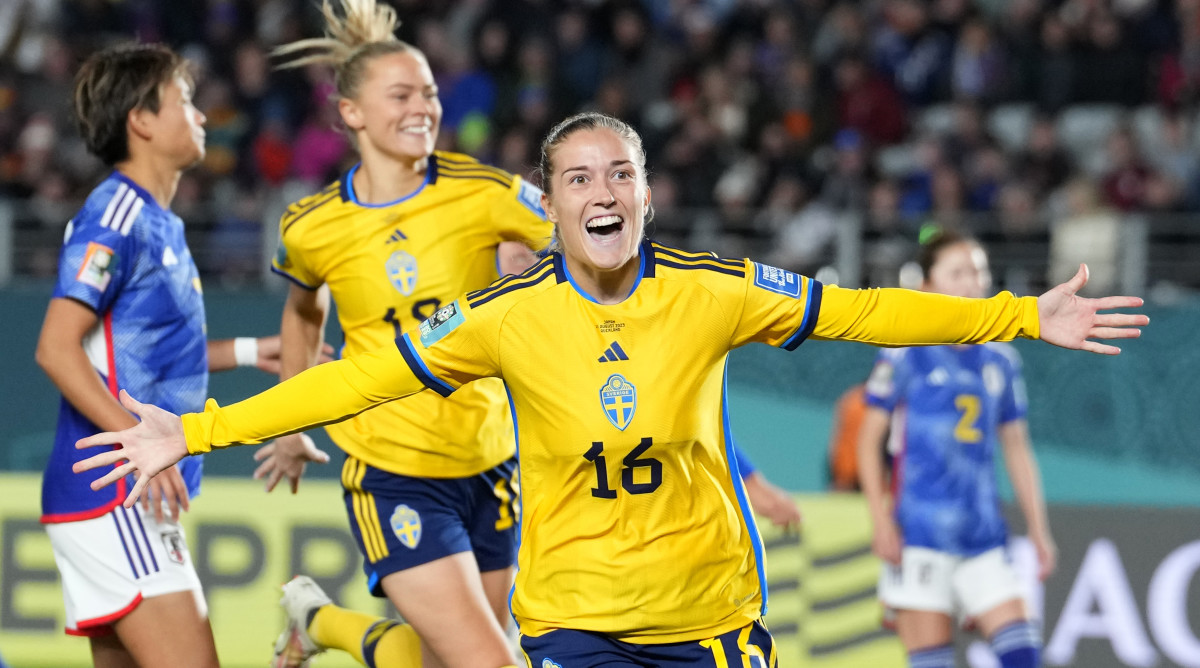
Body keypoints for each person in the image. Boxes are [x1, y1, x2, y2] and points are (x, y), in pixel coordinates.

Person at [74, 112, 1146, 668]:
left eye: (619, 174)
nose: (601, 191)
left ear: (645, 191)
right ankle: (340, 628)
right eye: (578, 177)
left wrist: (1018, 313)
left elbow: (862, 309)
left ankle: (335, 628)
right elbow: (349, 376)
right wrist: (200, 426)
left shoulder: (713, 290)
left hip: (713, 613)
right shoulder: (504, 318)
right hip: (578, 620)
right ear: (552, 203)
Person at [249, 1, 552, 666]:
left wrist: (543, 270)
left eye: (431, 93)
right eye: (402, 94)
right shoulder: (313, 225)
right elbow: (304, 311)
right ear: (352, 112)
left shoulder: (486, 193)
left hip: (491, 458)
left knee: (451, 659)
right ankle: (320, 622)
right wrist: (291, 424)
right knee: (489, 662)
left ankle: (319, 623)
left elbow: (584, 251)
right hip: (393, 470)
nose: (423, 107)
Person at [34, 43, 285, 668]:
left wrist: (256, 350)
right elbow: (57, 349)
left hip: (115, 493)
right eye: (185, 101)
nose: (201, 115)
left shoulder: (160, 222)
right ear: (141, 121)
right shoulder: (117, 212)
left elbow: (154, 355)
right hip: (115, 493)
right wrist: (140, 440)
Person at [856, 231, 1055, 668]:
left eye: (978, 272)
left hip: (983, 537)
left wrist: (1039, 529)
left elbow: (1017, 450)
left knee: (1023, 658)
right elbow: (867, 442)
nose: (972, 282)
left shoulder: (1001, 360)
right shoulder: (904, 353)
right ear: (927, 286)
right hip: (919, 536)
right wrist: (880, 520)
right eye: (958, 272)